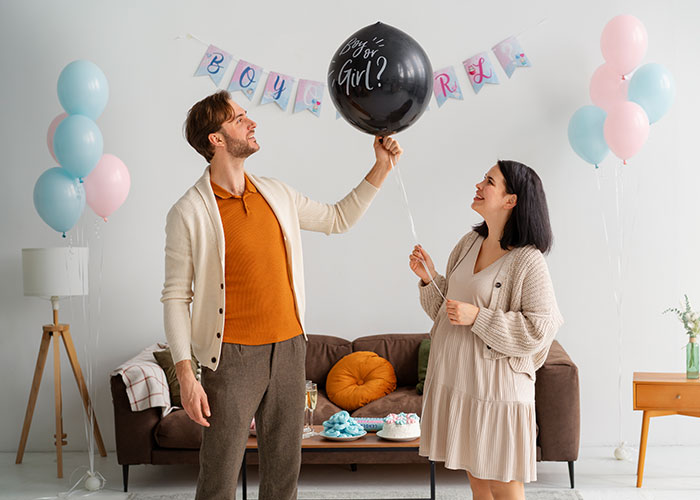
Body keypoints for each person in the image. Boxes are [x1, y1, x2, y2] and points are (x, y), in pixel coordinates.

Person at [161, 90, 402, 500]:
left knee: (283, 475)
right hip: (230, 357)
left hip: (290, 349)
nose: (251, 123)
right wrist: (186, 374)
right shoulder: (188, 211)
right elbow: (174, 297)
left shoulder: (276, 194)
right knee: (218, 476)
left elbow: (338, 218)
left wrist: (381, 167)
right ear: (215, 139)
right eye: (239, 119)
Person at [408, 160, 563, 500]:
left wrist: (479, 317)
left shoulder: (528, 260)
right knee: (478, 481)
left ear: (511, 200)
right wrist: (429, 277)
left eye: (489, 181)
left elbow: (539, 328)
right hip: (461, 381)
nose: (479, 185)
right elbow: (446, 312)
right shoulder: (468, 243)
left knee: (503, 482)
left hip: (498, 392)